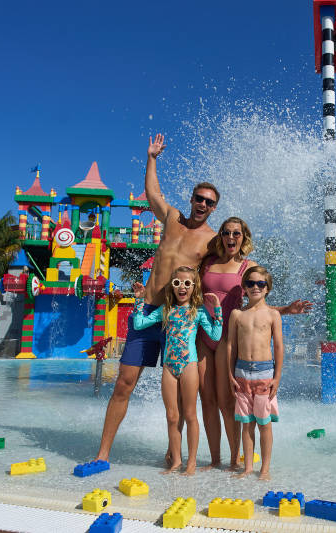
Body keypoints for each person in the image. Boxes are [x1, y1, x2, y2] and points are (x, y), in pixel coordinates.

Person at [94, 133, 219, 463]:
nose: (202, 204)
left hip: (177, 316)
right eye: (199, 198)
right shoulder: (172, 218)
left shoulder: (212, 240)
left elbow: (229, 264)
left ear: (214, 207)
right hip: (148, 310)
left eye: (209, 202)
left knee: (177, 392)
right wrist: (152, 157)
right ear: (192, 199)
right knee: (124, 381)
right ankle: (103, 453)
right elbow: (152, 194)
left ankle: (173, 455)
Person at [196, 217, 312, 470]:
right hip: (204, 337)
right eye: (226, 232)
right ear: (221, 236)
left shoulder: (250, 267)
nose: (231, 237)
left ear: (243, 237)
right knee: (207, 400)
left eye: (236, 233)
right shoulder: (208, 263)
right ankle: (215, 459)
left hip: (228, 339)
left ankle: (235, 459)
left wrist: (286, 310)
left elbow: (260, 308)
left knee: (228, 402)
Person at [132, 266, 222, 475]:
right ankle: (176, 462)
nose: (182, 287)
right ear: (172, 287)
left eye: (187, 283)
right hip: (169, 367)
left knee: (190, 415)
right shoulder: (165, 310)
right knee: (172, 416)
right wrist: (139, 299)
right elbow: (138, 324)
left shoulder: (198, 311)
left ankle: (191, 462)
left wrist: (217, 309)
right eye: (177, 283)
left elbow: (215, 335)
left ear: (194, 287)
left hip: (189, 365)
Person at [227, 266, 283, 481]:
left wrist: (277, 377)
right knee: (246, 424)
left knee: (264, 424)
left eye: (260, 284)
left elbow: (278, 346)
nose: (255, 287)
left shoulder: (272, 314)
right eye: (250, 283)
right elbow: (231, 346)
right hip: (241, 374)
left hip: (264, 375)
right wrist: (230, 374)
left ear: (267, 288)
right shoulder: (237, 314)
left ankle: (265, 469)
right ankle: (248, 467)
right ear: (244, 288)